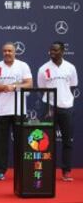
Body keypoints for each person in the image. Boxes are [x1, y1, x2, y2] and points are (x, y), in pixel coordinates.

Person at [0, 42, 33, 181]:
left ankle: (22, 170)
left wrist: (13, 87)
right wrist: (4, 87)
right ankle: (0, 171)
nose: (7, 53)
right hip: (2, 111)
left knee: (21, 142)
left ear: (15, 52)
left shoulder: (23, 65)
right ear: (2, 52)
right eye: (5, 51)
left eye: (10, 51)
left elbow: (29, 84)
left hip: (19, 110)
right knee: (1, 143)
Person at [37, 41, 78, 182]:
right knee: (45, 141)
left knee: (67, 141)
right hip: (49, 108)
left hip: (67, 108)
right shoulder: (43, 69)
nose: (52, 53)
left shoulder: (70, 68)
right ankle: (46, 170)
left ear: (62, 51)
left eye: (56, 50)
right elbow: (42, 89)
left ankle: (66, 171)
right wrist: (51, 104)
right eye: (51, 50)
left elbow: (72, 87)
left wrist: (65, 100)